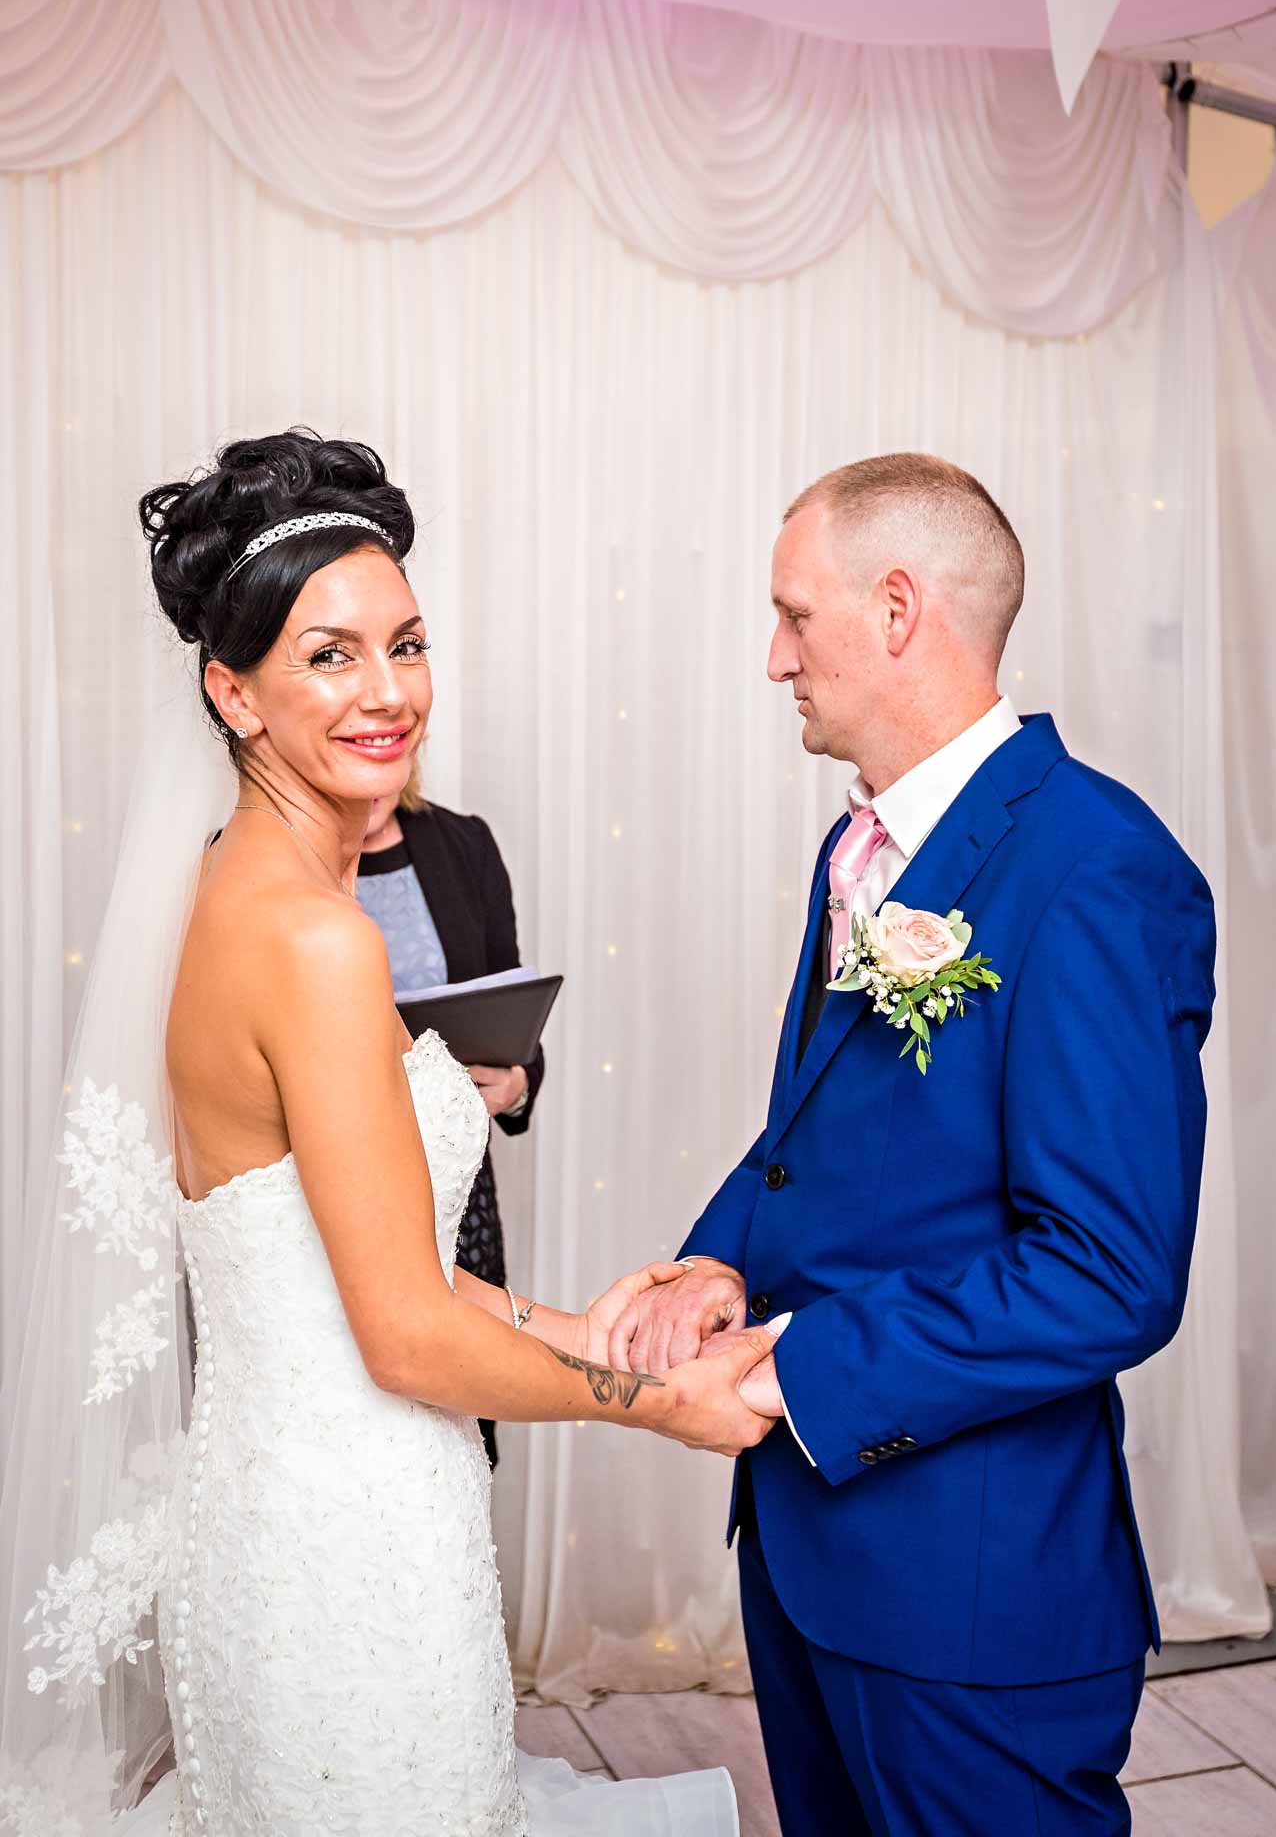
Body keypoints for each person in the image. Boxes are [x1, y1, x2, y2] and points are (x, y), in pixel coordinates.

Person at [3, 430, 769, 1835]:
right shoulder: (313, 943)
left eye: (405, 645)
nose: (388, 692)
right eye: (330, 655)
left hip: (306, 1508)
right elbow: (403, 1335)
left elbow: (349, 1264)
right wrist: (663, 1404)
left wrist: (579, 1328)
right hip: (342, 1548)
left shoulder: (225, 889)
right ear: (232, 694)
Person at [613, 453, 1214, 1836]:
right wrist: (717, 1261)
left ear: (896, 611)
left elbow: (1109, 1271)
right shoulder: (865, 847)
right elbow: (827, 1128)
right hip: (813, 1550)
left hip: (968, 1591)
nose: (774, 659)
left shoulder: (1091, 866)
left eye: (793, 615)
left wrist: (795, 1375)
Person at [358, 762, 545, 1466]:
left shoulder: (462, 845)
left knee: (455, 1439)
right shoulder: (257, 861)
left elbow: (512, 1011)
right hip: (328, 1193)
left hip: (456, 1201)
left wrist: (516, 1084)